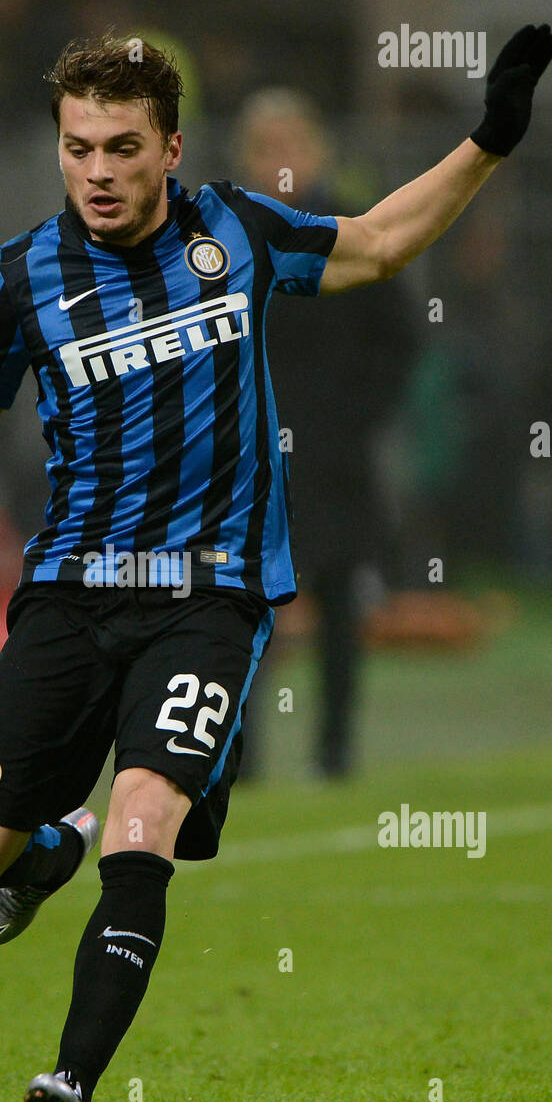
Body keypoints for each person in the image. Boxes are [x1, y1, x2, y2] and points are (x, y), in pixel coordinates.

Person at [0, 25, 552, 1102]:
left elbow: (372, 244)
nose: (98, 172)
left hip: (208, 597)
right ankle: (50, 845)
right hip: (68, 595)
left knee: (144, 819)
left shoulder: (235, 228)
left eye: (122, 147)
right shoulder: (25, 274)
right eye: (77, 148)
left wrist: (487, 141)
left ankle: (66, 1083)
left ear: (169, 147)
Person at [233, 88, 419, 778]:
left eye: (292, 145)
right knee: (246, 608)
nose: (280, 160)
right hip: (250, 461)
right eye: (266, 147)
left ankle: (335, 751)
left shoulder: (353, 233)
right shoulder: (223, 244)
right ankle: (238, 755)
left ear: (317, 152)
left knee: (339, 607)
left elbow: (399, 343)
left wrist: (357, 420)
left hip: (336, 458)